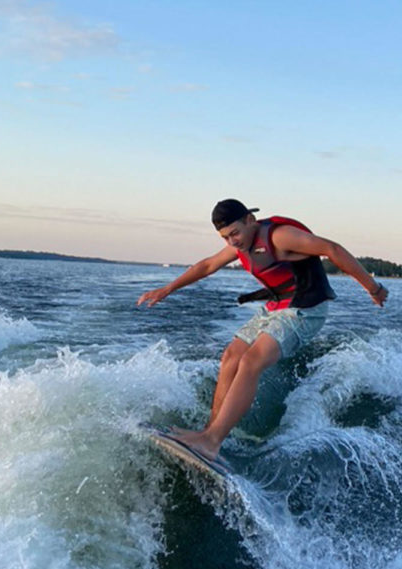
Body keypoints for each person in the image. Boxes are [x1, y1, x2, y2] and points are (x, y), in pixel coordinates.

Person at [137, 198, 388, 465]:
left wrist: (372, 288)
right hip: (276, 306)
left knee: (251, 361)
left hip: (305, 309)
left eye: (234, 233)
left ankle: (211, 441)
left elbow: (332, 249)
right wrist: (167, 289)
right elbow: (208, 265)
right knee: (231, 356)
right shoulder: (242, 243)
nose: (232, 242)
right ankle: (210, 434)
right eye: (225, 238)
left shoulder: (281, 237)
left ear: (250, 220)